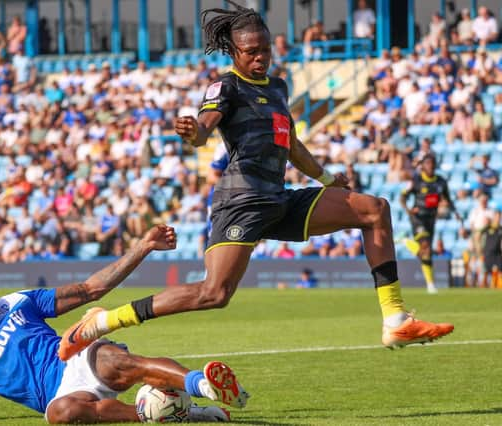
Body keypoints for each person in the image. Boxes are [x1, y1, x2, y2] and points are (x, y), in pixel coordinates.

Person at [59, 0, 454, 362]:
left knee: (374, 209)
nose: (260, 58)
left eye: (265, 49)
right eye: (251, 52)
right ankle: (105, 322)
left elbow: (291, 145)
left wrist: (329, 180)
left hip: (278, 198)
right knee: (214, 294)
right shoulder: (226, 87)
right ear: (234, 51)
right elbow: (203, 129)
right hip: (241, 202)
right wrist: (192, 132)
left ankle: (395, 319)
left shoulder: (279, 88)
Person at [0, 226, 243, 424]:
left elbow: (90, 290)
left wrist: (142, 248)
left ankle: (204, 386)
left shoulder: (15, 303)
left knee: (122, 361)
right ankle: (169, 413)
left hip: (75, 357)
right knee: (60, 415)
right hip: (62, 395)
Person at [400, 155, 462, 294]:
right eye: (428, 163)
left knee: (425, 253)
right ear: (423, 165)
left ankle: (405, 241)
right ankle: (430, 285)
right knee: (426, 247)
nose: (430, 166)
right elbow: (402, 196)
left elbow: (447, 199)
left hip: (431, 219)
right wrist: (408, 210)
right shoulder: (416, 180)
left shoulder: (441, 182)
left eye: (432, 163)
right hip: (418, 218)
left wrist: (455, 212)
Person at [480, 209, 502, 289]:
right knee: (486, 271)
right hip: (488, 252)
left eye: (499, 217)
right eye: (497, 216)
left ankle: (498, 286)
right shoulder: (488, 227)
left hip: (498, 253)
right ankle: (484, 287)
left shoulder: (500, 229)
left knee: (500, 271)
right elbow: (479, 235)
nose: (498, 218)